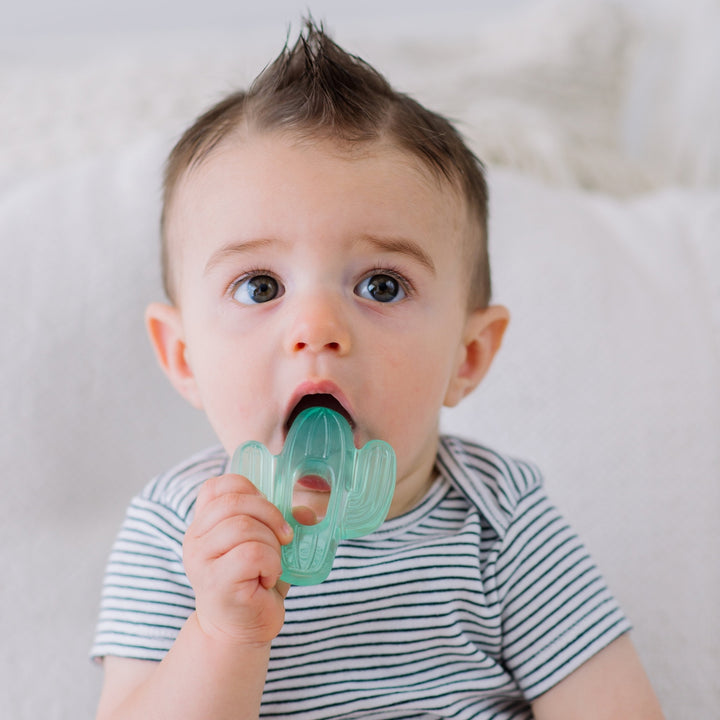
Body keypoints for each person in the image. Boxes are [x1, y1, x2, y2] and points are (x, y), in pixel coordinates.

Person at [91, 20, 664, 720]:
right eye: (261, 287)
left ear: (468, 355)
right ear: (183, 357)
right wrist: (222, 630)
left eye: (382, 286)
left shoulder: (500, 519)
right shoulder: (177, 530)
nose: (317, 331)